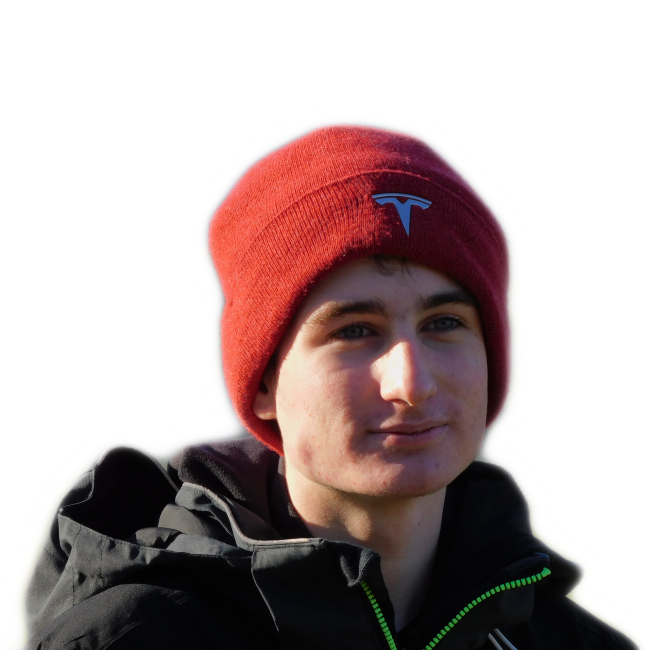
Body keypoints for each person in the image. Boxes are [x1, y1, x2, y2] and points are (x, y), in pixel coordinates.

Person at [21, 125, 637, 649]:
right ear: (263, 383)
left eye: (444, 323)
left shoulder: (564, 639)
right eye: (355, 331)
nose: (412, 383)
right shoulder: (135, 635)